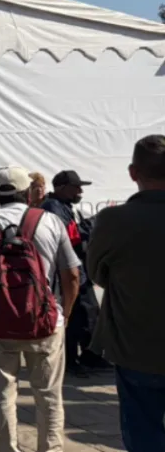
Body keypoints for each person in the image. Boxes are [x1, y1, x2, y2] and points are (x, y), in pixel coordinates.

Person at [0, 166, 81, 452]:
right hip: (45, 320)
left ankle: (7, 447)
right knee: (48, 395)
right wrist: (65, 312)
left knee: (2, 395)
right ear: (28, 193)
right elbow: (72, 275)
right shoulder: (50, 221)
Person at [87, 135, 165, 451]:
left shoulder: (113, 220)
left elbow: (97, 274)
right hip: (135, 347)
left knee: (143, 433)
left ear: (133, 173)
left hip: (135, 345)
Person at [41, 170, 106, 377]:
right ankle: (70, 361)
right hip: (66, 274)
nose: (80, 192)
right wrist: (93, 223)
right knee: (73, 318)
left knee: (89, 314)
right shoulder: (52, 207)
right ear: (61, 188)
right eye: (76, 187)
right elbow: (69, 236)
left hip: (78, 271)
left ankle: (91, 356)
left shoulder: (65, 206)